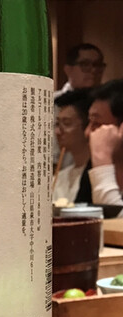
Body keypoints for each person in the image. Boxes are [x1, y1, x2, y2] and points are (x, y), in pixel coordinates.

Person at [54, 43, 106, 168]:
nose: (93, 70)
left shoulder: (107, 103)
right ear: (68, 69)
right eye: (85, 65)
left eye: (98, 65)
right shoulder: (52, 102)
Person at [86, 79, 123, 211]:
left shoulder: (100, 161)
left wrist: (102, 159)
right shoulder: (91, 166)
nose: (87, 133)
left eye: (96, 123)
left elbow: (117, 220)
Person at [53, 88, 92, 205]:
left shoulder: (95, 175)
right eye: (57, 124)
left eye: (67, 123)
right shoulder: (59, 177)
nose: (58, 132)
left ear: (87, 126)